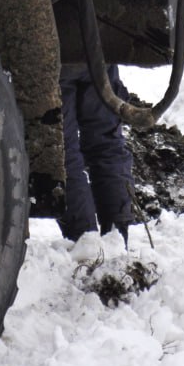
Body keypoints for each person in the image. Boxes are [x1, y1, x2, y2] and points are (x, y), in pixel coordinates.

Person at [59, 63, 133, 243]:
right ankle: (117, 237)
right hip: (98, 52)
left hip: (53, 56)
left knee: (62, 152)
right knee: (108, 143)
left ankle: (85, 243)